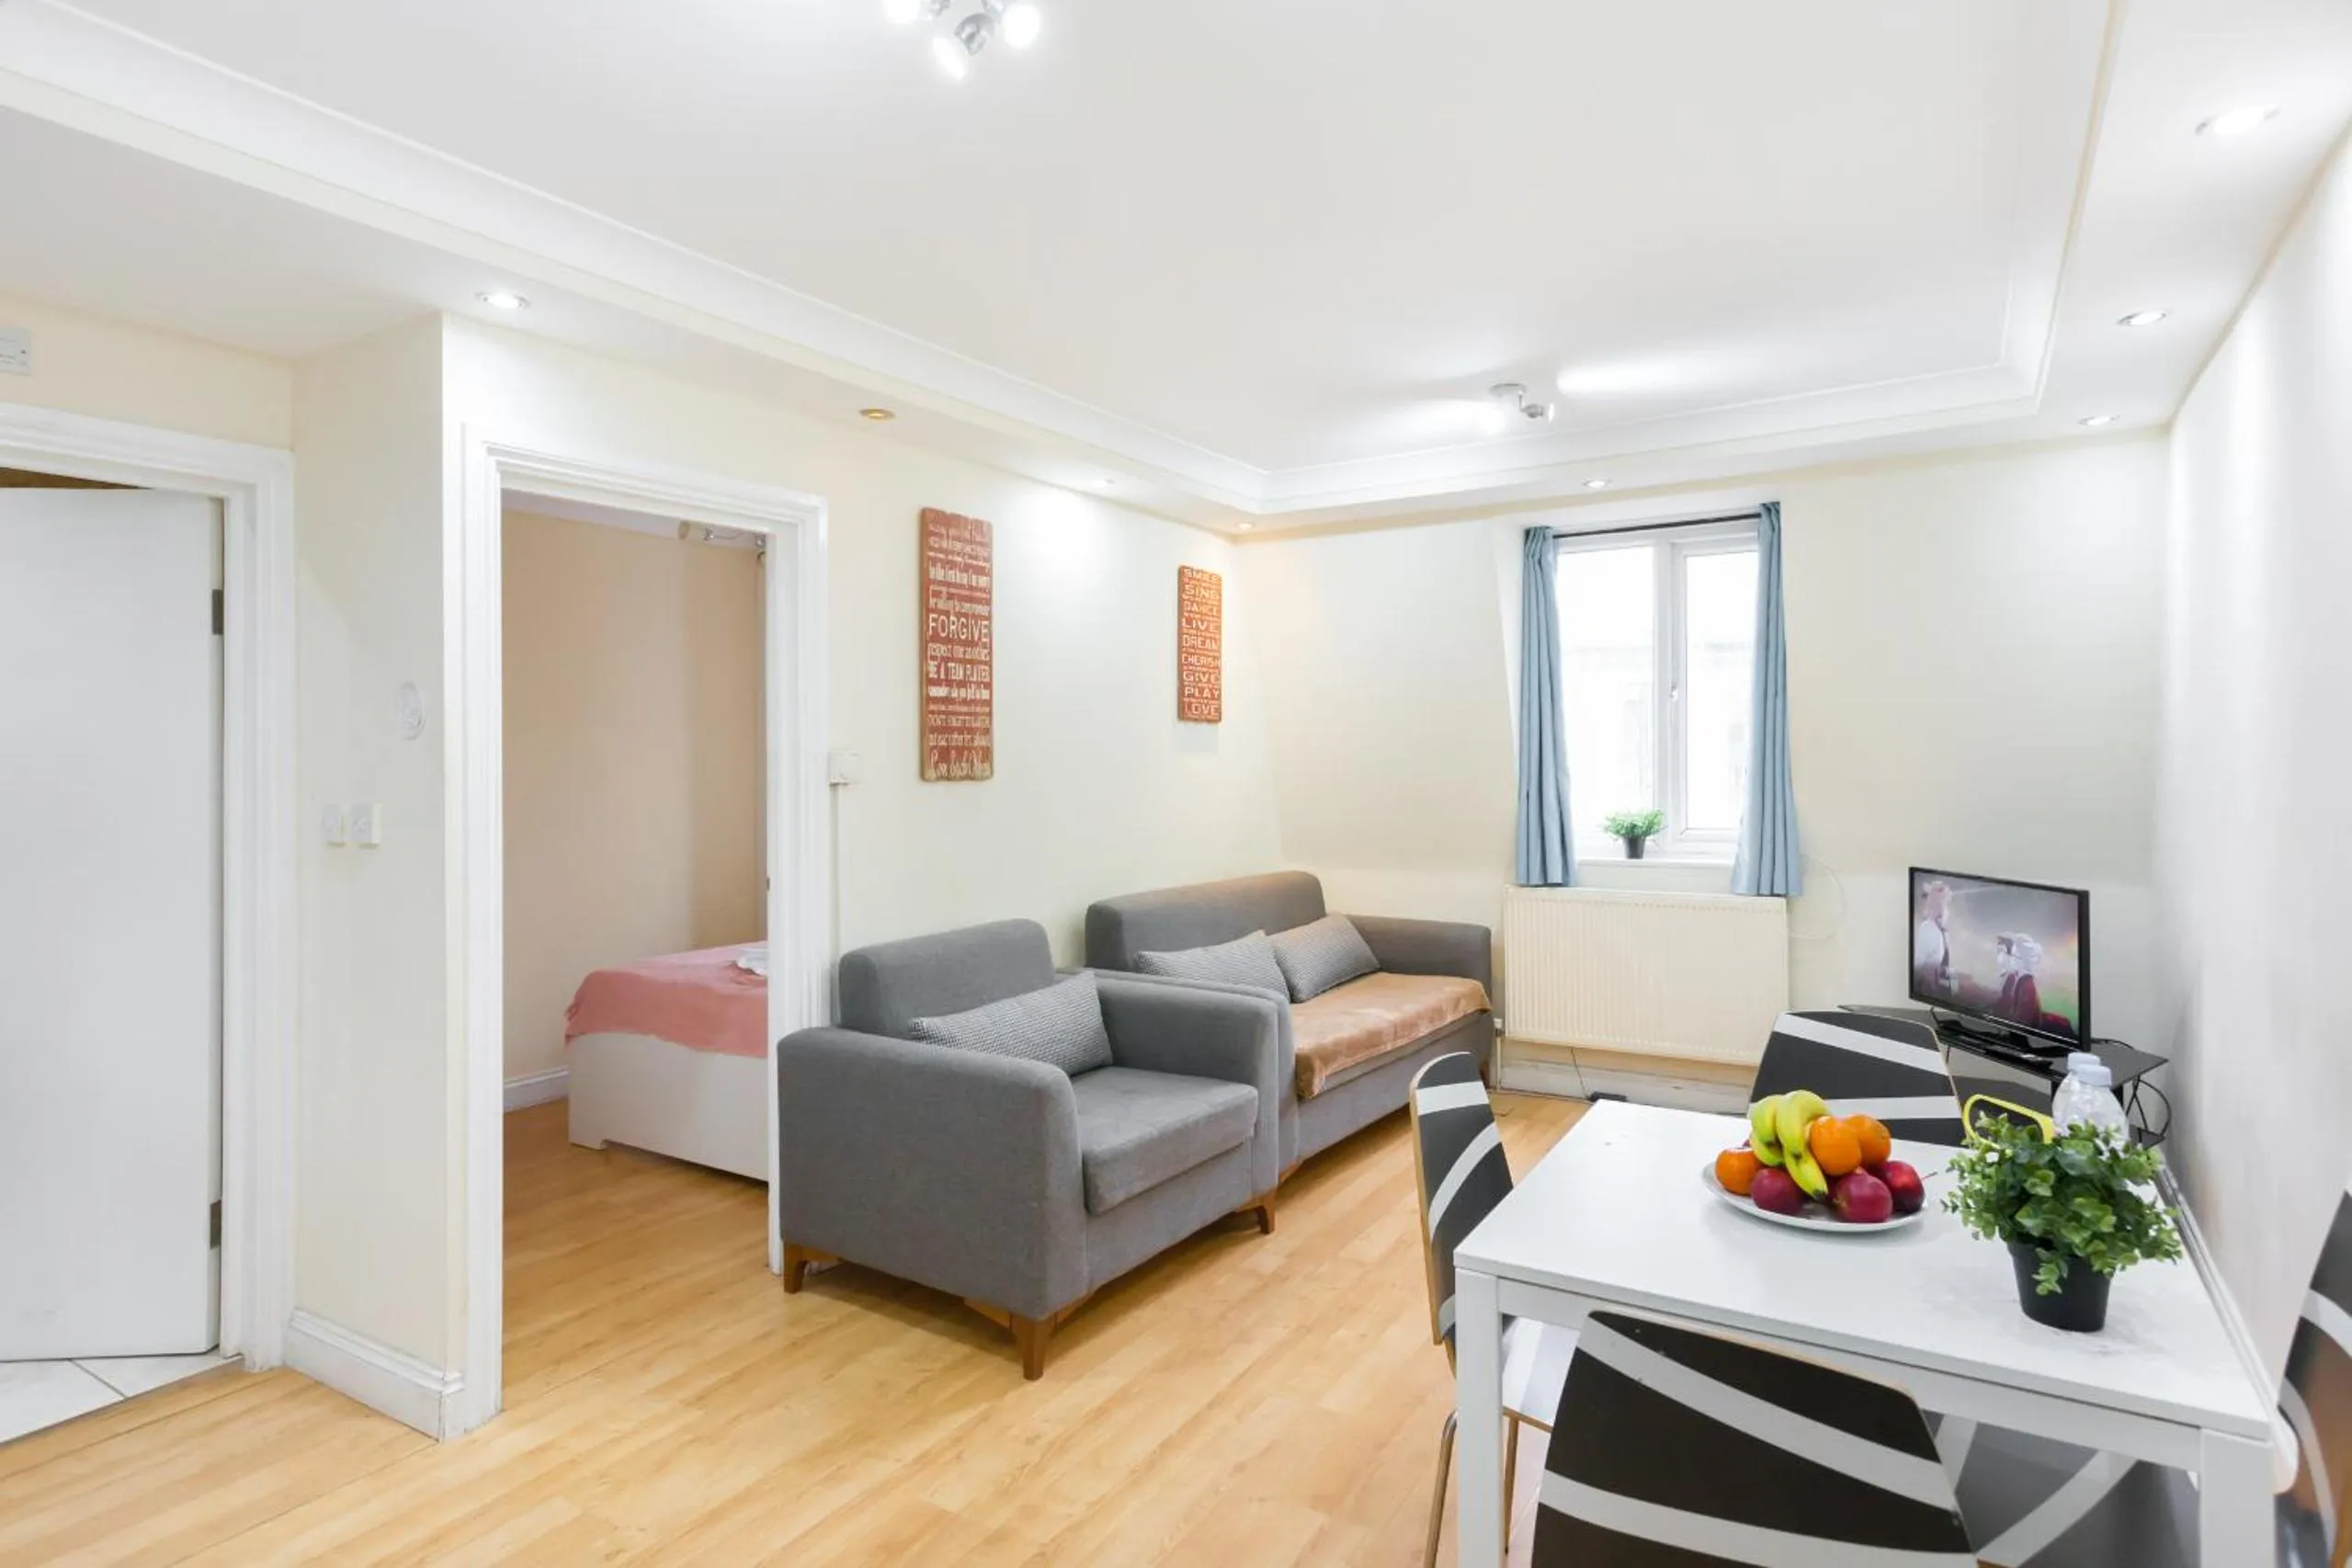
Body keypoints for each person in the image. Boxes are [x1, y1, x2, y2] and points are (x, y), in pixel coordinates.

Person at [1914, 881, 1954, 999]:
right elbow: (1918, 966)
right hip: (1929, 991)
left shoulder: (1943, 932)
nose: (1947, 911)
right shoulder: (1928, 929)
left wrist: (1953, 994)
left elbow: (1946, 967)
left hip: (1941, 995)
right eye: (1944, 904)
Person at [1994, 934, 2044, 1028]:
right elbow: (2002, 1005)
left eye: (2015, 957)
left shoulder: (2027, 984)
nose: (2012, 960)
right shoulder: (2011, 977)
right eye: (2011, 956)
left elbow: (2023, 1021)